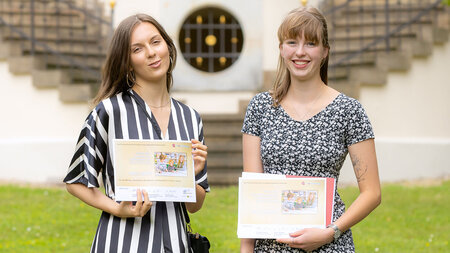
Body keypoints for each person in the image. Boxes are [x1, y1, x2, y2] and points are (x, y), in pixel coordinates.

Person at [63, 13, 209, 253]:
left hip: (176, 243)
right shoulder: (109, 111)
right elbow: (76, 182)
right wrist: (117, 208)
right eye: (138, 49)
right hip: (122, 242)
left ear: (168, 47)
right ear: (128, 62)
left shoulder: (190, 117)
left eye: (155, 42)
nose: (151, 53)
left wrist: (190, 175)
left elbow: (195, 205)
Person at [240, 7, 381, 252]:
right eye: (292, 42)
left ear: (325, 51)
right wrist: (246, 250)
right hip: (271, 246)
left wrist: (331, 232)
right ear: (282, 48)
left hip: (329, 244)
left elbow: (372, 193)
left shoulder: (349, 110)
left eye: (311, 43)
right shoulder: (260, 107)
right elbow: (254, 192)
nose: (300, 52)